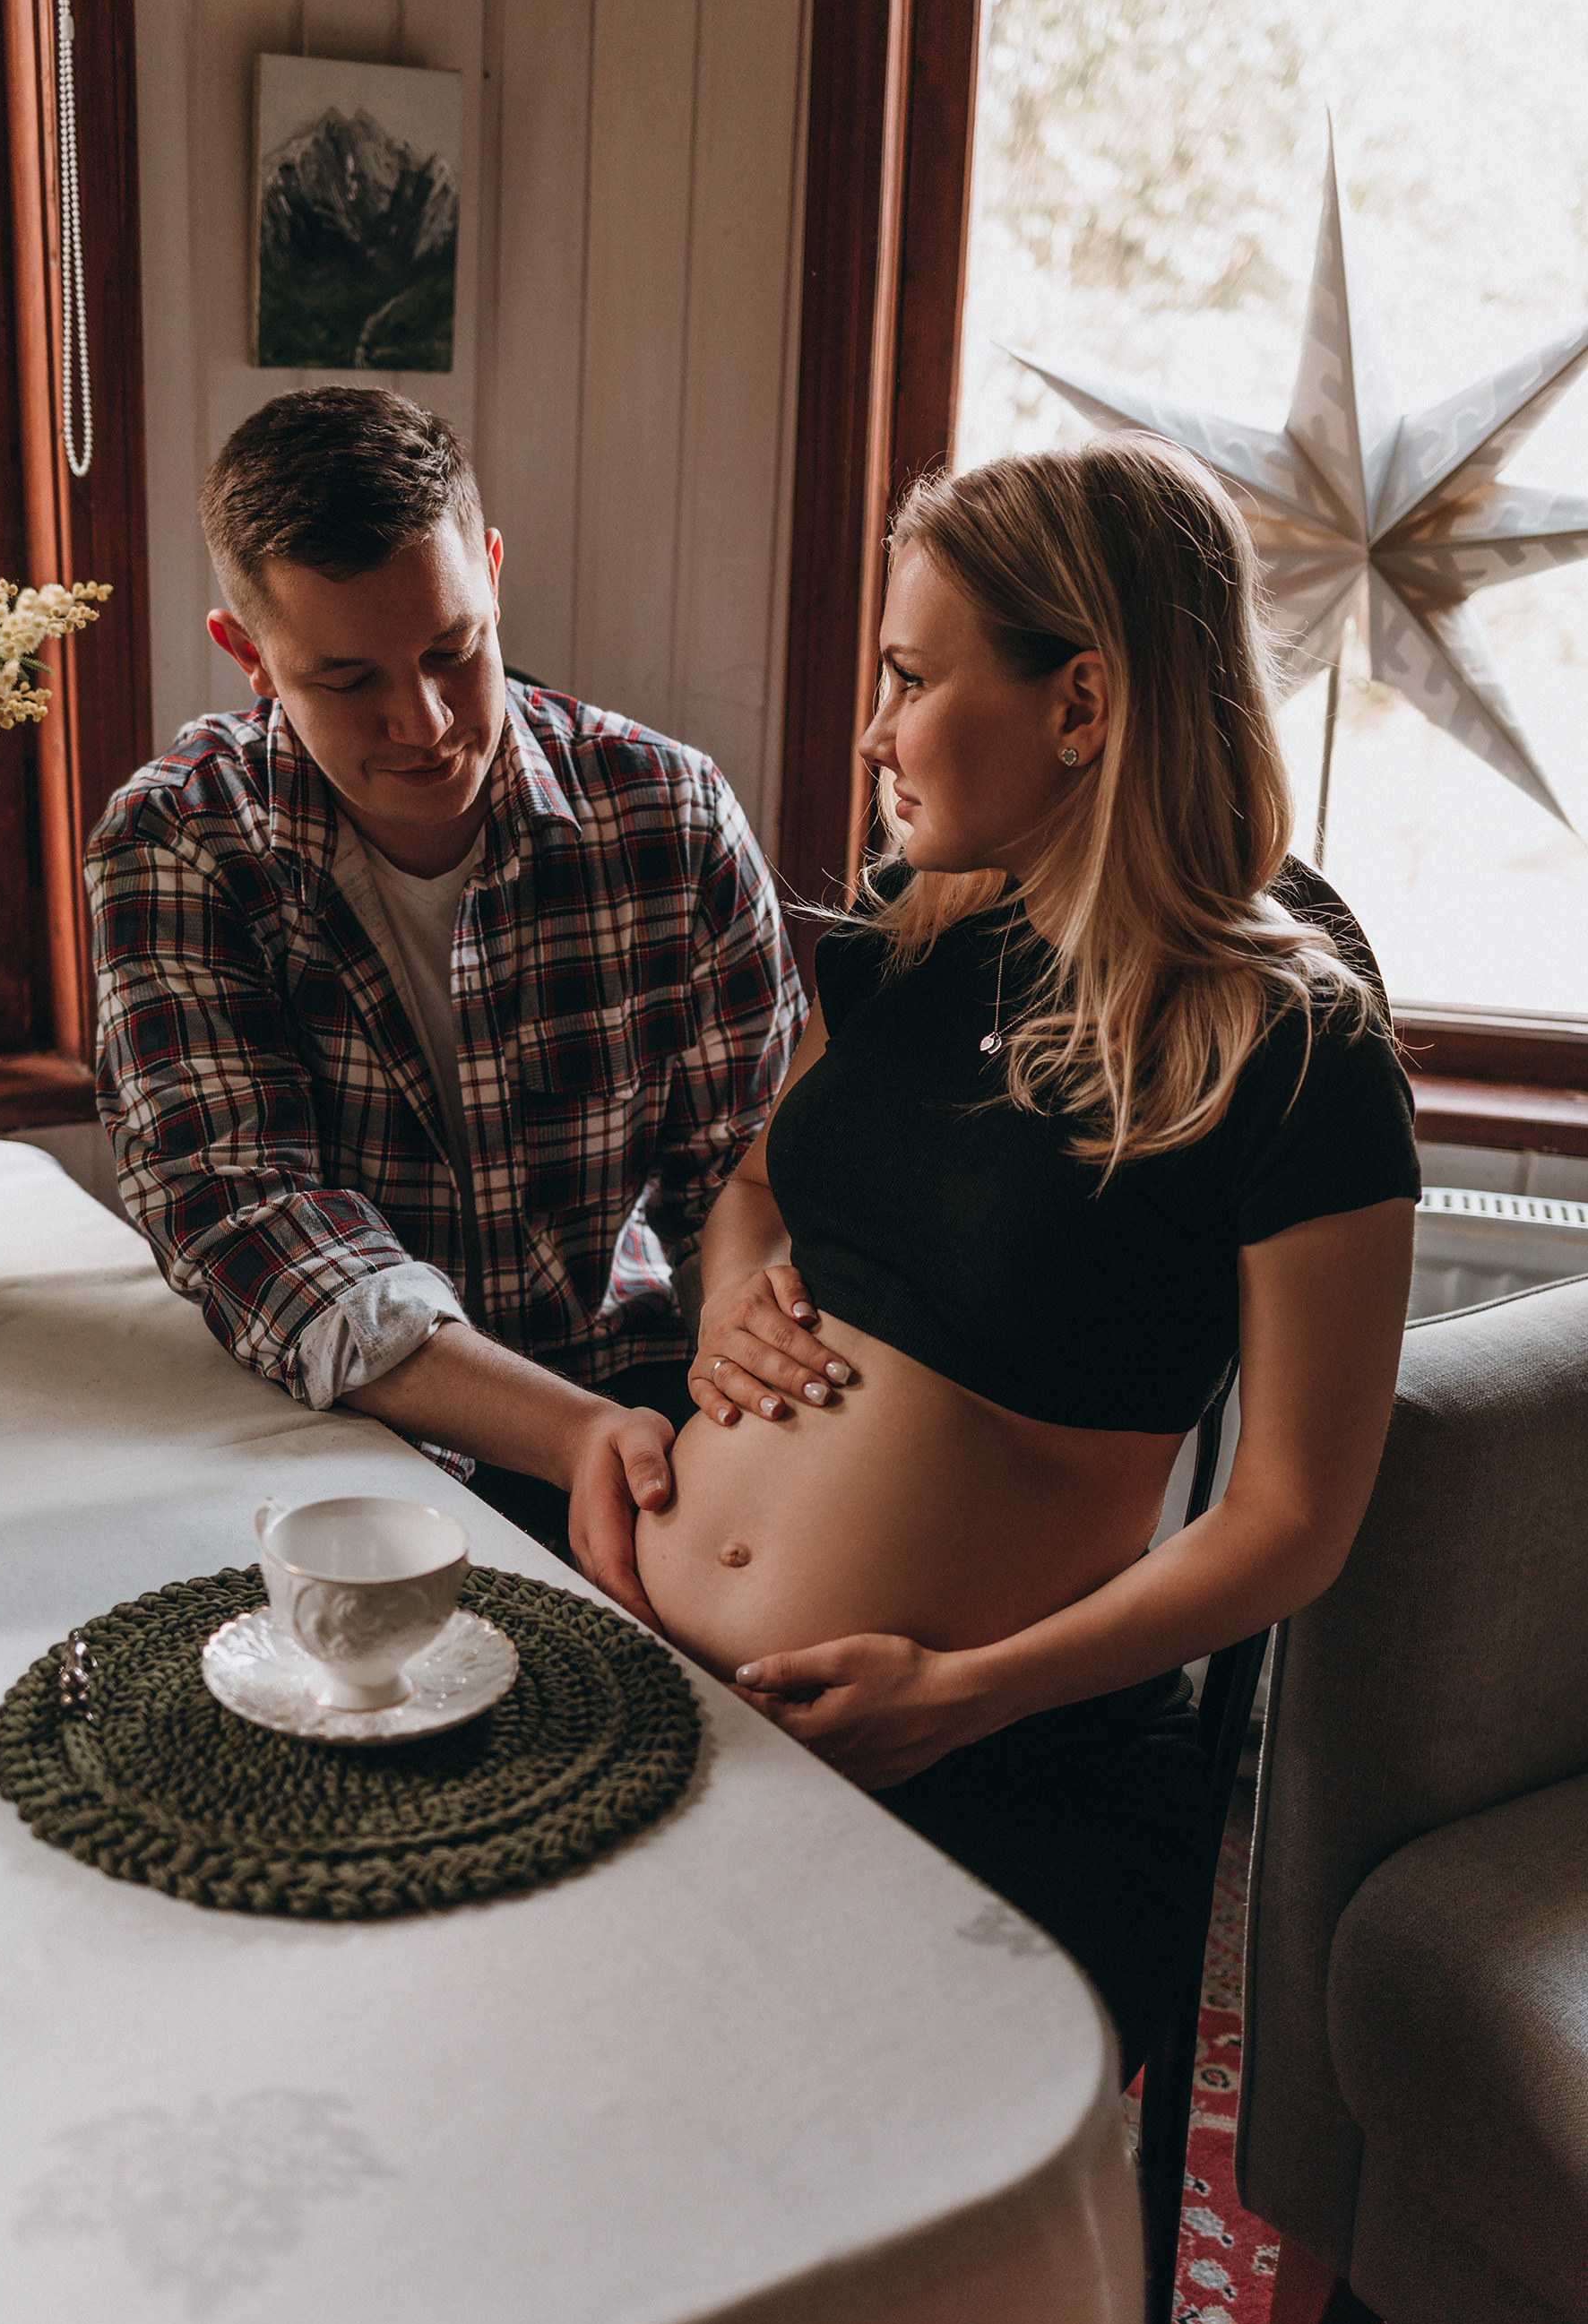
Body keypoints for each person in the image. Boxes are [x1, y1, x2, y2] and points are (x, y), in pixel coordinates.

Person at [603, 437, 1420, 2080]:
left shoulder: (1292, 1045)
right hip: (658, 1660)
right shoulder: (929, 936)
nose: (874, 729)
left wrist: (964, 1691)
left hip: (980, 1753)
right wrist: (726, 1307)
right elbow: (758, 1184)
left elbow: (1292, 1524)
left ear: (1083, 703)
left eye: (911, 677)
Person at [88, 389, 803, 1593]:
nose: (420, 722)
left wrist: (731, 1364)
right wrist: (569, 1436)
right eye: (349, 677)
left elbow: (753, 1172)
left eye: (451, 650)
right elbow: (254, 1223)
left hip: (634, 1395)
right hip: (336, 1441)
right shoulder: (177, 841)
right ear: (249, 657)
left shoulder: (668, 813)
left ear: (493, 570)